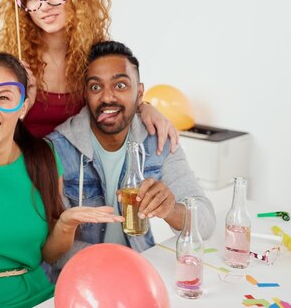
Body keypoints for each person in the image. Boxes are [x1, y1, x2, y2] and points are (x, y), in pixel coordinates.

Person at [0, 52, 123, 308]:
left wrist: (66, 223)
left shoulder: (44, 158)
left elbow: (49, 255)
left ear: (23, 107)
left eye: (3, 97)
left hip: (42, 297)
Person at [46, 41, 215, 277]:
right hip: (81, 277)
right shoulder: (57, 149)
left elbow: (205, 223)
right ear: (85, 94)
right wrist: (120, 268)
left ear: (140, 93)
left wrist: (171, 210)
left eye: (121, 85)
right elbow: (51, 248)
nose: (107, 97)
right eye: (96, 87)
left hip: (140, 269)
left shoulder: (160, 141)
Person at [0, 0, 178, 154]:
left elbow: (116, 102)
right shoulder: (11, 61)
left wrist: (145, 107)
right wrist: (23, 104)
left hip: (83, 176)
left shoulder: (98, 57)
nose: (44, 6)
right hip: (23, 168)